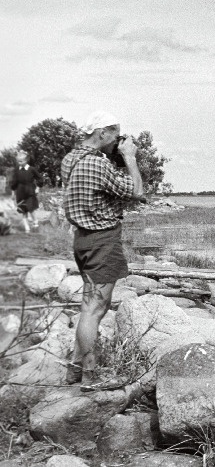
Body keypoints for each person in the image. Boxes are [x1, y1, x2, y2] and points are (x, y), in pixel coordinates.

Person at [60, 110, 143, 389]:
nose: (116, 142)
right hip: (102, 240)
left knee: (94, 305)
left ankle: (74, 368)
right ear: (102, 133)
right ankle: (92, 376)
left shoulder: (70, 160)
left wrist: (115, 157)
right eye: (115, 136)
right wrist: (129, 157)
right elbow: (136, 191)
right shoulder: (98, 165)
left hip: (82, 240)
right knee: (94, 309)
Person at [9, 150, 43, 233]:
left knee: (31, 209)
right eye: (18, 161)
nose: (19, 163)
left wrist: (38, 187)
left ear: (26, 160)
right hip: (20, 193)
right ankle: (27, 228)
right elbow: (14, 182)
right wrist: (13, 193)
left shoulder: (31, 169)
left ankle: (35, 222)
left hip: (30, 192)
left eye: (21, 161)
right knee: (23, 211)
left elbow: (40, 178)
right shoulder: (17, 170)